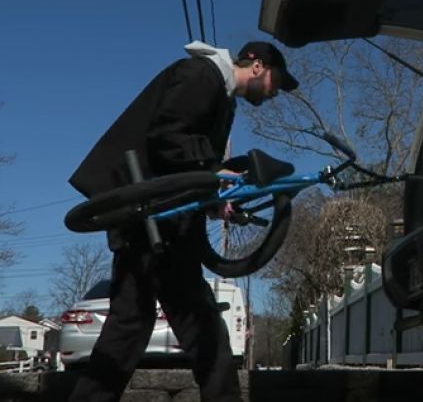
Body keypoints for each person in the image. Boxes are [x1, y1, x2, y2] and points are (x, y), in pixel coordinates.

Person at [67, 41, 299, 402]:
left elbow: (185, 164)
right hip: (152, 218)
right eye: (276, 82)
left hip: (162, 217)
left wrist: (212, 199)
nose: (274, 94)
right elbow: (167, 138)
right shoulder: (201, 75)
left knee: (132, 324)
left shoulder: (223, 97)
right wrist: (213, 172)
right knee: (198, 325)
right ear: (257, 65)